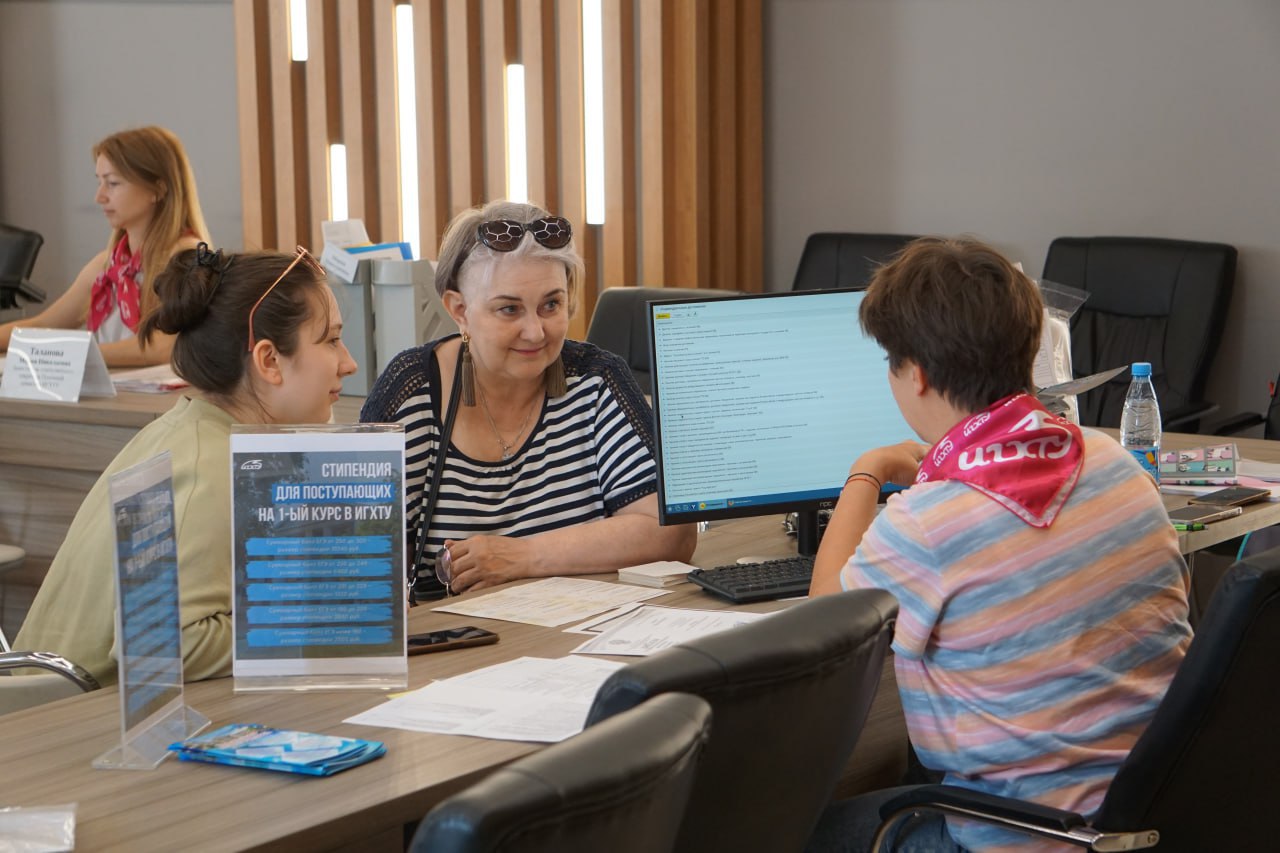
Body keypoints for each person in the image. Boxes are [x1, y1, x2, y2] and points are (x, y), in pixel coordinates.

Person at [804, 238, 1192, 853]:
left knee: (770, 831)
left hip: (1020, 834)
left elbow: (826, 623)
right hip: (1156, 806)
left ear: (918, 375)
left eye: (889, 361)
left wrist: (867, 472)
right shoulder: (1113, 462)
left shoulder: (931, 523)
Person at [15, 244, 358, 684]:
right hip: (60, 731)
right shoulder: (210, 468)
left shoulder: (195, 432)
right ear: (269, 360)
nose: (348, 363)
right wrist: (328, 621)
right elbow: (163, 645)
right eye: (330, 339)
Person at [361, 200, 696, 597]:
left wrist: (520, 557)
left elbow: (672, 532)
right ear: (460, 310)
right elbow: (357, 562)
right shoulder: (412, 393)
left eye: (551, 305)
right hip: (459, 653)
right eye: (509, 310)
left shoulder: (595, 379)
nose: (536, 332)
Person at [0, 125, 210, 367]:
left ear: (158, 189)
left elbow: (164, 346)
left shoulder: (189, 256)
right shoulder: (109, 264)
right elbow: (43, 325)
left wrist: (73, 354)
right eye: (99, 182)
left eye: (112, 183)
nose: (99, 197)